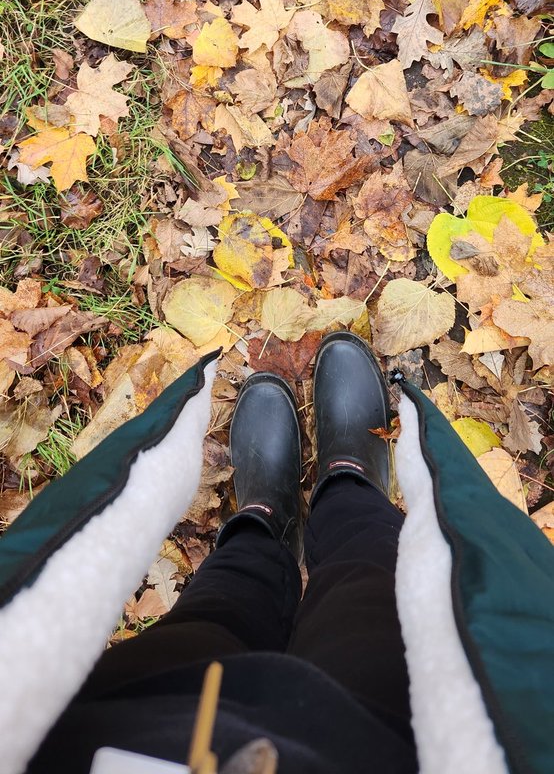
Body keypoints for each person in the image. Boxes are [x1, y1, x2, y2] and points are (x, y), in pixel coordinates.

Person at [1, 331, 552, 774]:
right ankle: (349, 481)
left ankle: (267, 514)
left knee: (221, 604)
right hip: (380, 734)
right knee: (367, 588)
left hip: (131, 721)